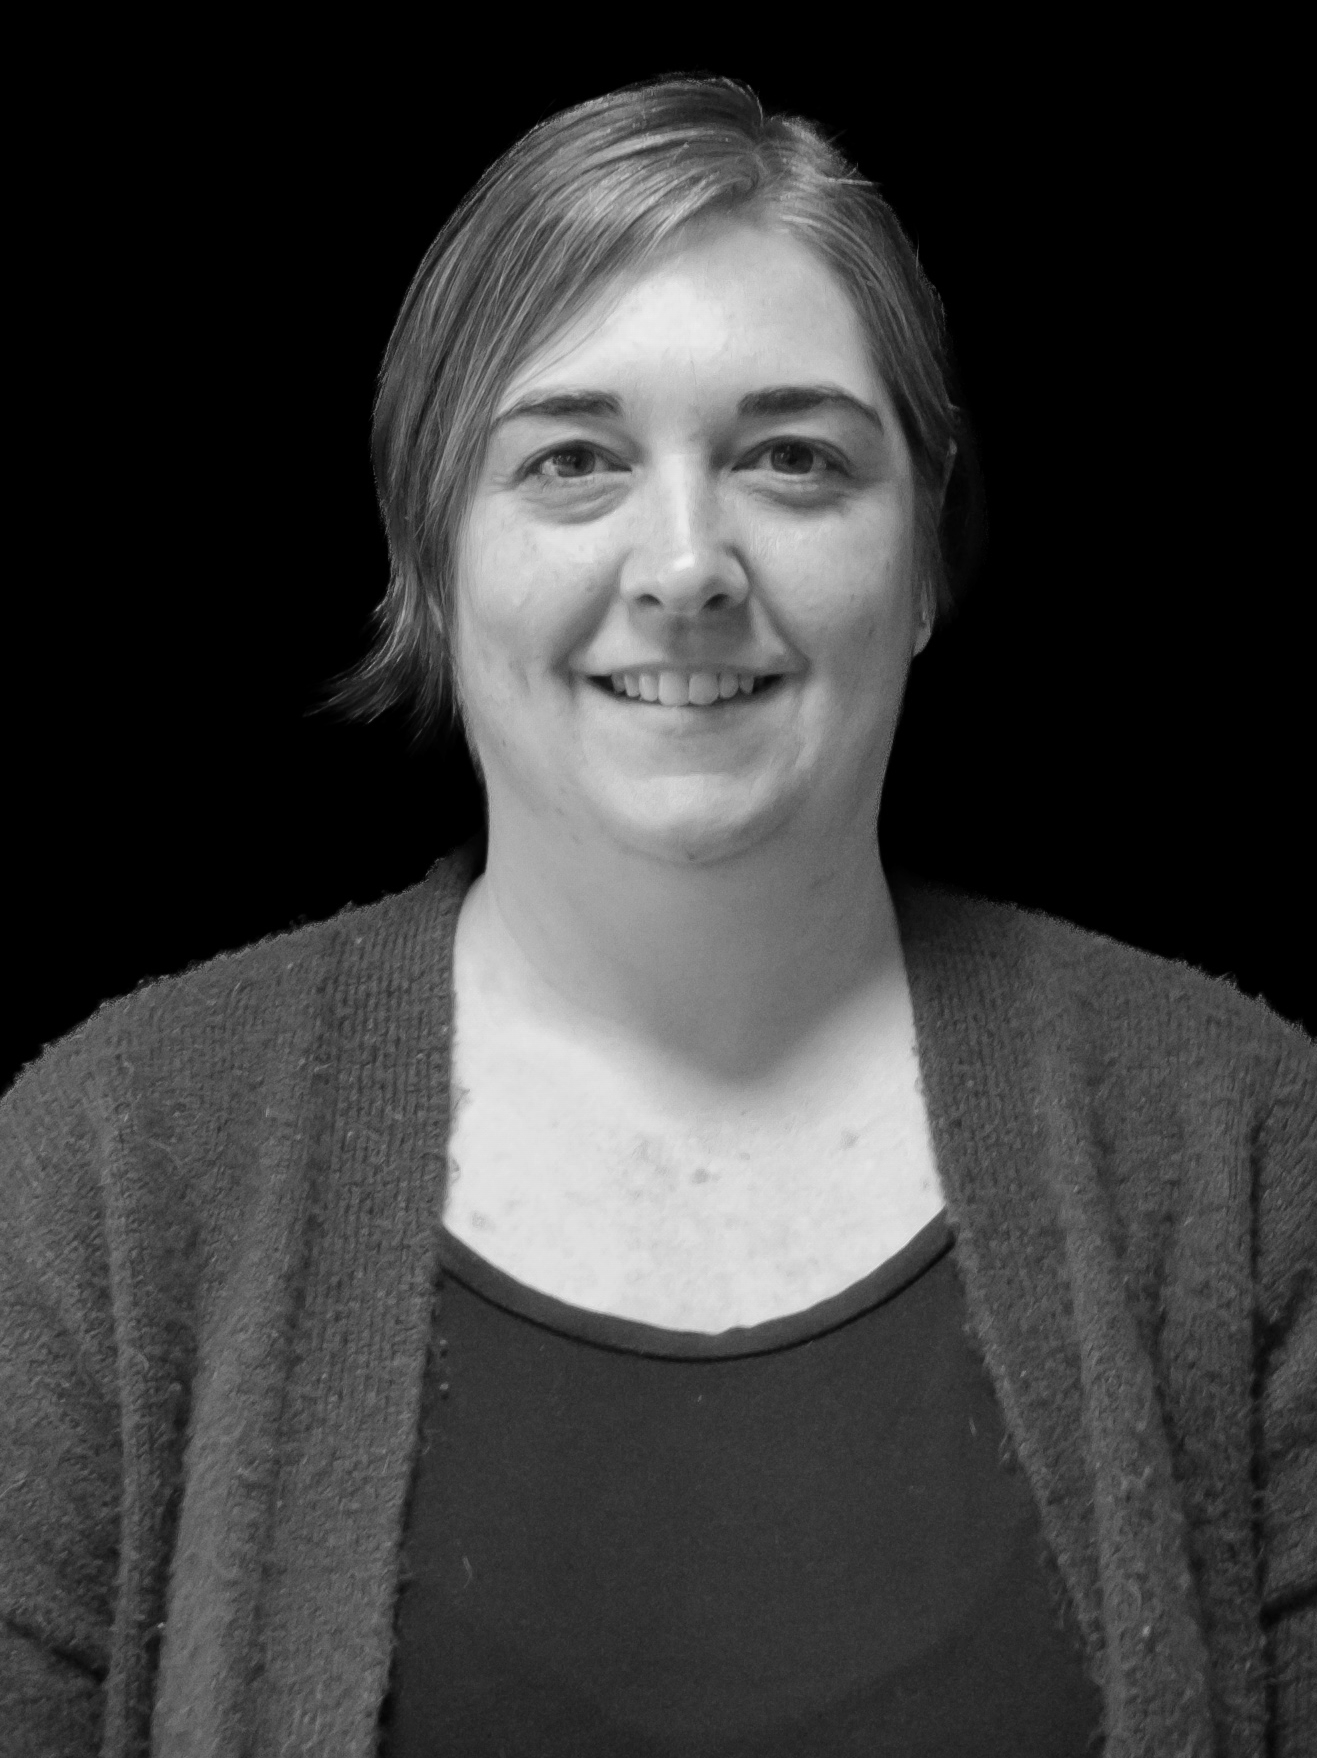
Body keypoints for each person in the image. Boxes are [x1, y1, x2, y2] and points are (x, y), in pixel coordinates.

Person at [1, 75, 1312, 1758]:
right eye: (571, 460)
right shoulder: (116, 1162)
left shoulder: (1244, 1146)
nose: (686, 562)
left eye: (792, 457)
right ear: (436, 551)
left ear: (924, 556)